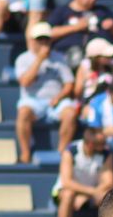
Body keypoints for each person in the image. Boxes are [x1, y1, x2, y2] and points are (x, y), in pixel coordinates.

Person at [14, 23, 78, 166]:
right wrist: (39, 60)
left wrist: (59, 97)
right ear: (32, 41)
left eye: (46, 39)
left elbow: (69, 84)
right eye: (40, 40)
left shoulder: (60, 58)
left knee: (70, 113)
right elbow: (25, 82)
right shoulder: (23, 59)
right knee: (23, 113)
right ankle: (25, 154)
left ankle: (62, 153)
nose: (44, 43)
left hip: (56, 101)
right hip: (32, 100)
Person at [54, 125, 113, 217]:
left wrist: (89, 195)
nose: (105, 146)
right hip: (68, 191)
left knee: (110, 197)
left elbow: (109, 181)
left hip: (91, 193)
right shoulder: (71, 151)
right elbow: (67, 182)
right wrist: (90, 192)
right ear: (89, 144)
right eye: (101, 144)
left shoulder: (106, 153)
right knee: (68, 195)